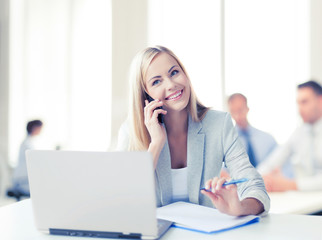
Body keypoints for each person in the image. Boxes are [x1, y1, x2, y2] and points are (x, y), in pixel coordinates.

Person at [117, 46, 269, 216]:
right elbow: (123, 198)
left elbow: (254, 186)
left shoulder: (219, 124)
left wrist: (240, 208)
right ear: (145, 94)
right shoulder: (130, 132)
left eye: (174, 72)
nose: (171, 85)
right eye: (156, 81)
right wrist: (156, 144)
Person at [258, 80, 322, 191]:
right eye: (298, 103)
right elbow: (272, 162)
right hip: (307, 200)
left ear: (320, 101)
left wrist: (291, 185)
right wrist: (254, 179)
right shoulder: (299, 132)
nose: (300, 109)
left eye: (304, 102)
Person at [12, 120, 43, 196]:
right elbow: (35, 160)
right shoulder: (26, 144)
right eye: (40, 128)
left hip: (25, 178)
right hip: (23, 181)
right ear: (34, 128)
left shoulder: (29, 142)